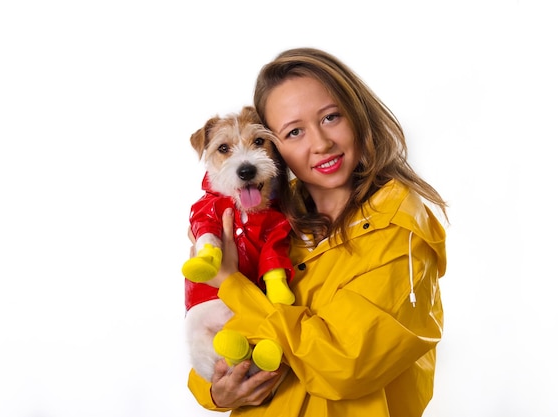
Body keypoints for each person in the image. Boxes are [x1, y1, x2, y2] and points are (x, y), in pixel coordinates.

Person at [186, 47, 448, 417]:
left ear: (358, 114)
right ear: (274, 147)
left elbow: (345, 364)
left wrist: (232, 283)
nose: (321, 143)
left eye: (330, 117)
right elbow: (213, 332)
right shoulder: (270, 220)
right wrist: (217, 390)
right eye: (294, 132)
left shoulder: (399, 227)